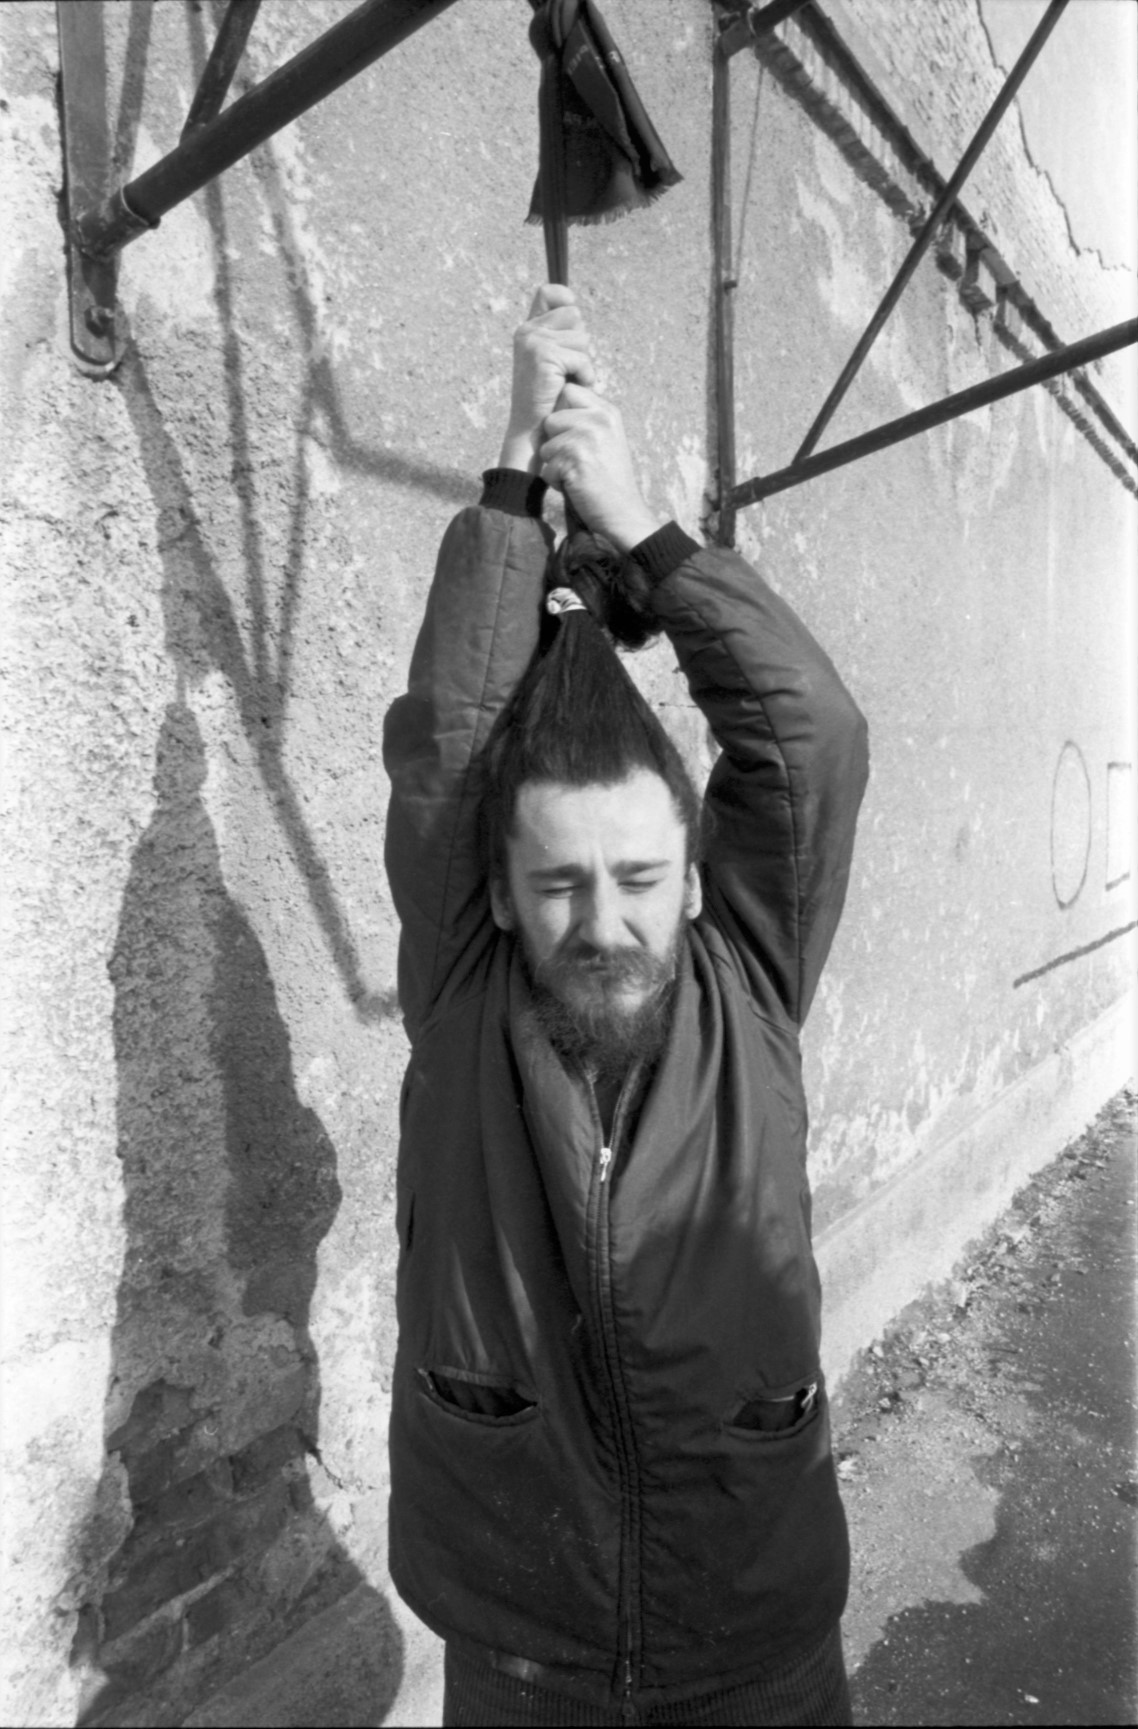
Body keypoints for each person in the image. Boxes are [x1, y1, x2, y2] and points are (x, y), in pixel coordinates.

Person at [382, 285, 870, 1727]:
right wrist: (511, 476)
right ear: (496, 889)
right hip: (522, 1642)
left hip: (754, 1627)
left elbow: (810, 736)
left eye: (641, 877)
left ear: (696, 872)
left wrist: (645, 530)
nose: (602, 924)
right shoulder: (464, 988)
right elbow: (453, 742)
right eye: (558, 884)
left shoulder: (750, 975)